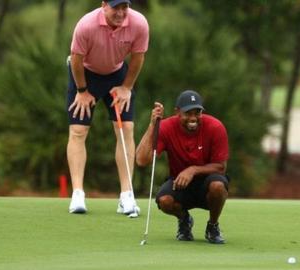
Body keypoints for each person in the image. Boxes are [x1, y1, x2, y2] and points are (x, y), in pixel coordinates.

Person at [67, 0, 149, 216]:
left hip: (117, 74)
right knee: (78, 130)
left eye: (125, 7)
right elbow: (76, 59)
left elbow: (138, 56)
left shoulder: (139, 23)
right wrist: (82, 90)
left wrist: (127, 87)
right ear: (104, 5)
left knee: (126, 128)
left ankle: (126, 196)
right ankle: (77, 194)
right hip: (85, 74)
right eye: (116, 8)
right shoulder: (86, 25)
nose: (121, 13)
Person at [136, 90, 230, 244]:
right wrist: (153, 125)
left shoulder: (215, 126)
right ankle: (184, 220)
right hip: (180, 183)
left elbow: (221, 167)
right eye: (188, 113)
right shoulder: (166, 127)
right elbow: (141, 160)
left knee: (218, 186)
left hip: (208, 182)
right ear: (177, 112)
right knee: (165, 201)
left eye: (197, 112)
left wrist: (193, 170)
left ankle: (213, 226)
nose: (193, 118)